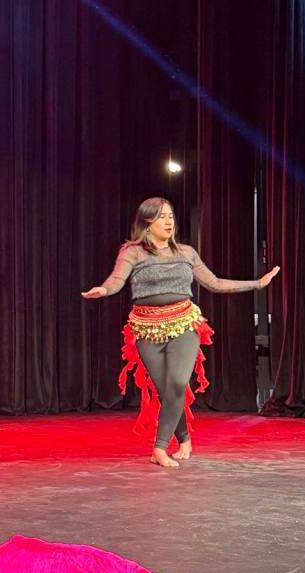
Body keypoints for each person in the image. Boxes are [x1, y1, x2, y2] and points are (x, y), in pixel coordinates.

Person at [81, 197, 279, 469]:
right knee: (166, 391)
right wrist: (104, 289)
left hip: (184, 324)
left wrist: (257, 283)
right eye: (162, 216)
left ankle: (159, 448)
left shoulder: (186, 252)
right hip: (147, 329)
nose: (169, 221)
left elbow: (215, 283)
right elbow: (117, 280)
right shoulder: (133, 252)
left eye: (171, 216)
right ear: (147, 222)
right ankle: (184, 439)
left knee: (176, 383)